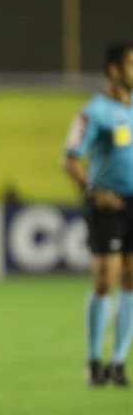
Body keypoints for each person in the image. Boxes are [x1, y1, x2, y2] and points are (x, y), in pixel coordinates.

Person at [63, 42, 133, 388]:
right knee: (105, 279)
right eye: (132, 63)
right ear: (113, 70)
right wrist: (94, 190)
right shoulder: (94, 112)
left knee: (132, 278)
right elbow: (70, 159)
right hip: (109, 204)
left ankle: (119, 362)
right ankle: (94, 360)